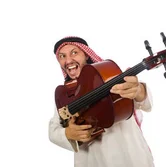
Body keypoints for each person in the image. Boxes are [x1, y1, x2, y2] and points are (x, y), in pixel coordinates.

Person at [48, 36, 155, 167]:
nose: (68, 60)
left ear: (86, 54)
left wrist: (139, 90)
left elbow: (143, 101)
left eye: (74, 52)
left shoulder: (107, 76)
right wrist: (67, 133)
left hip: (130, 158)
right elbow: (53, 130)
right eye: (62, 56)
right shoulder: (67, 95)